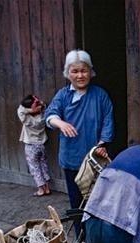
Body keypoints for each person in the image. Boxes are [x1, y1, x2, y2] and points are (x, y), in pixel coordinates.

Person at [45, 49, 114, 209]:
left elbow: (108, 122)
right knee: (76, 203)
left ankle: (94, 233)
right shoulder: (63, 95)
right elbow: (50, 114)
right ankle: (79, 233)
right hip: (71, 157)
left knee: (97, 202)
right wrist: (60, 123)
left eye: (84, 70)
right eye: (75, 71)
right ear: (68, 73)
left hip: (95, 158)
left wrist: (102, 145)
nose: (80, 75)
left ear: (91, 72)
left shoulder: (100, 95)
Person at [18, 94, 50, 196]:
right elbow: (44, 105)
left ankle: (41, 190)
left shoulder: (26, 118)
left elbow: (20, 109)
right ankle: (47, 188)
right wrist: (39, 105)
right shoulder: (42, 116)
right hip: (41, 145)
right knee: (43, 165)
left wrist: (31, 110)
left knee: (34, 167)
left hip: (31, 146)